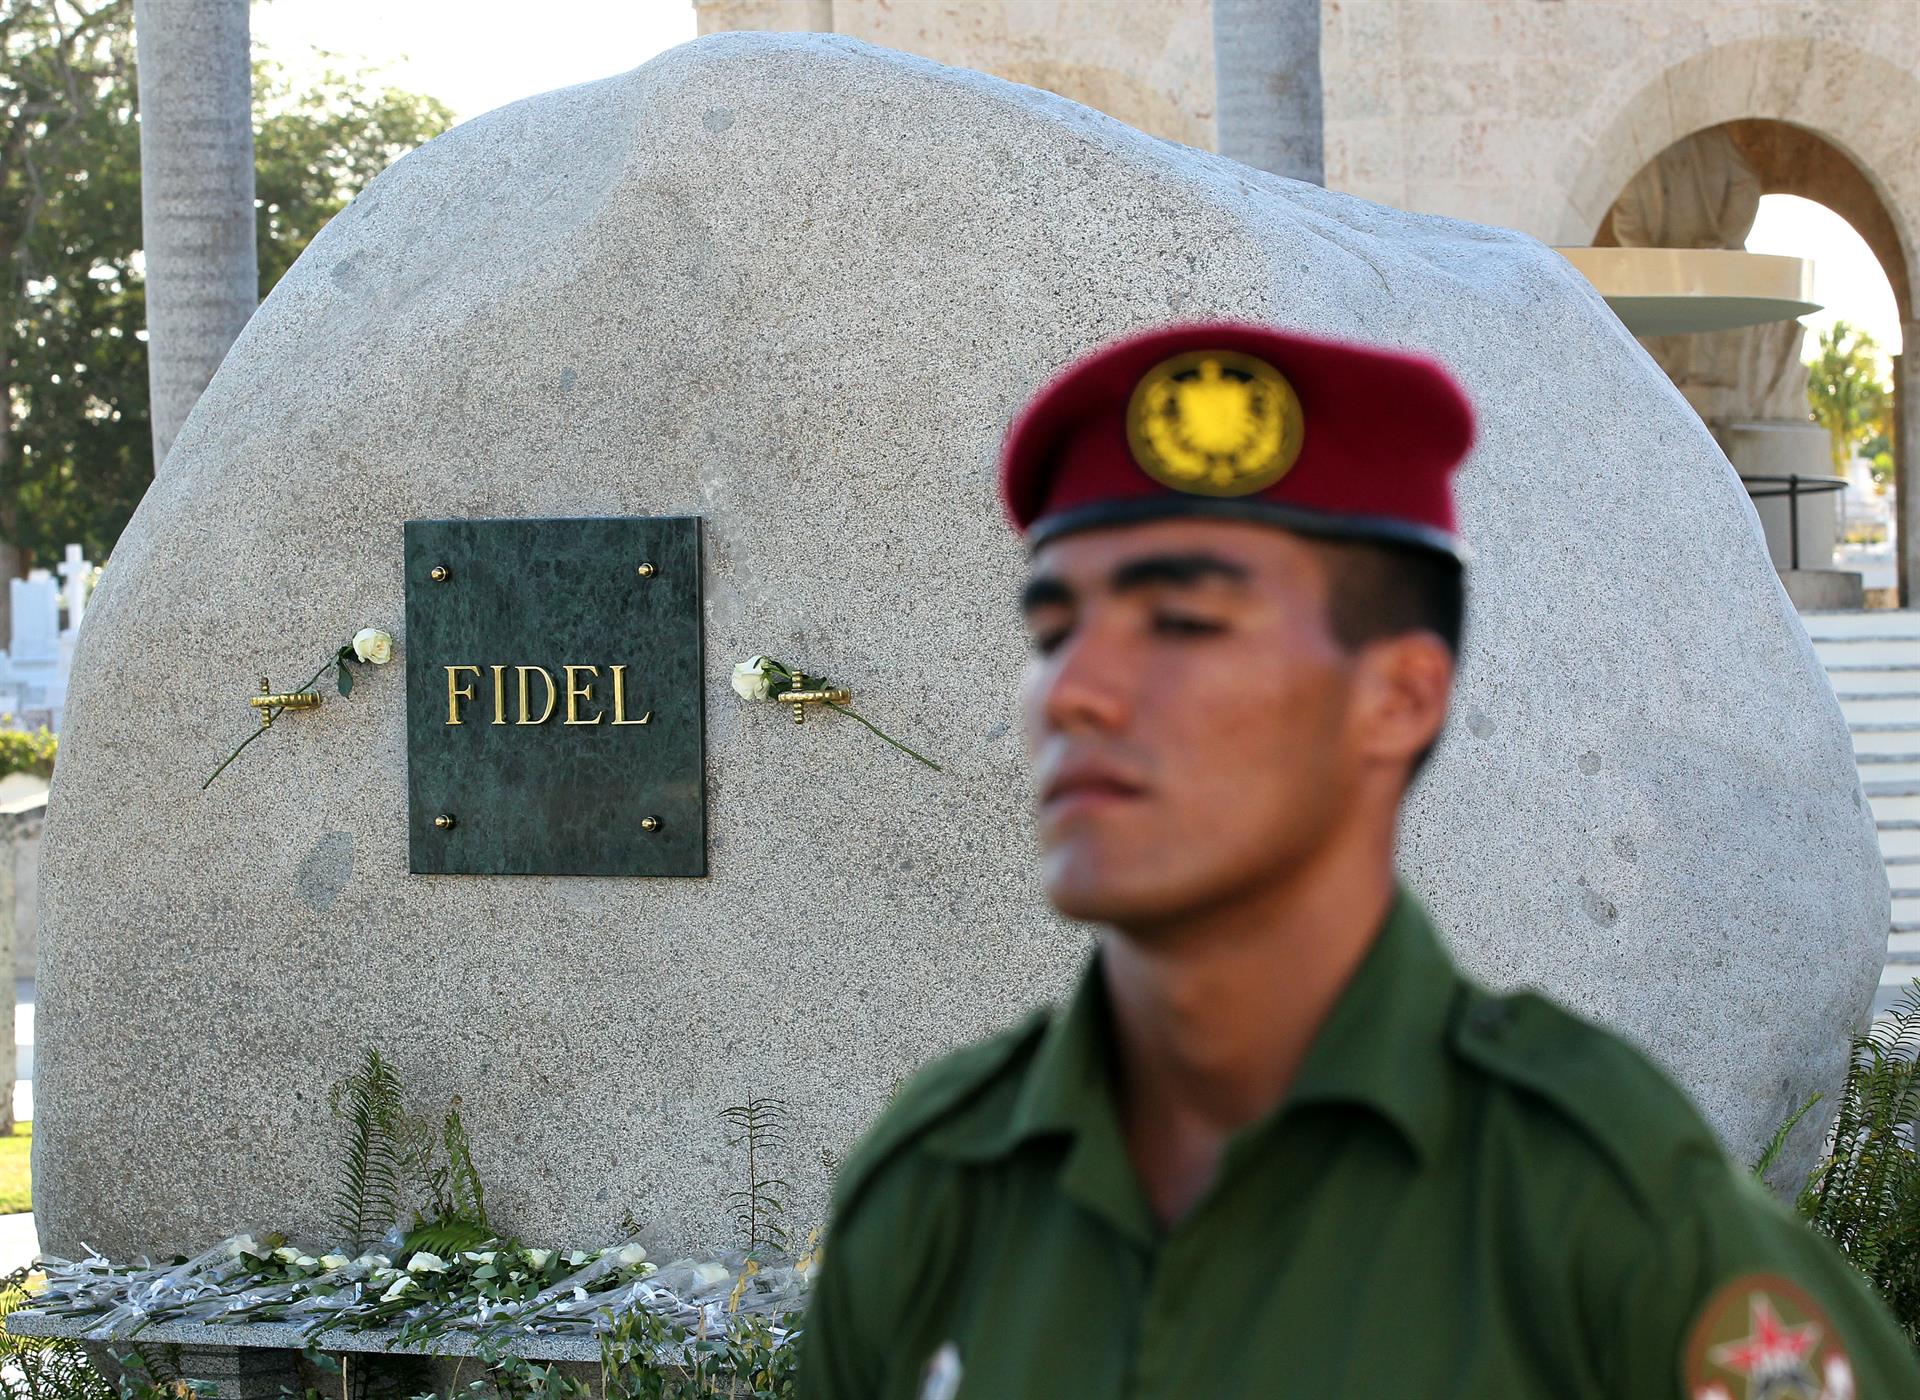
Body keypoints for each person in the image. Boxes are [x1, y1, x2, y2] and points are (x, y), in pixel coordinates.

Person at [795, 322, 1919, 1399]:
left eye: (1181, 620)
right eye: (1055, 629)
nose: (1075, 690)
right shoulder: (938, 1183)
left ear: (1398, 696)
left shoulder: (1597, 1208)